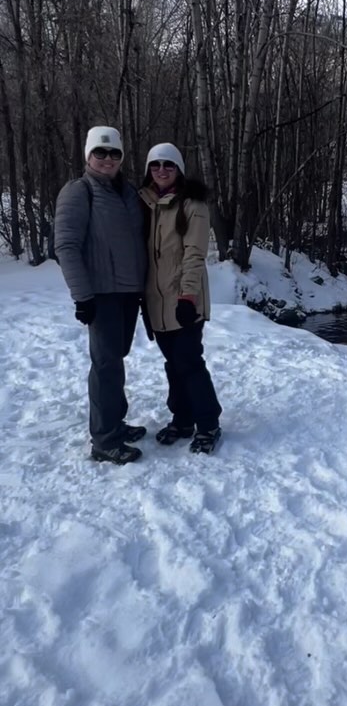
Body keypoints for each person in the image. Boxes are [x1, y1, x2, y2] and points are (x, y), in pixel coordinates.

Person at [54, 126, 147, 464]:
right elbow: (66, 246)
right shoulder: (79, 191)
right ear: (88, 156)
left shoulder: (128, 192)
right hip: (102, 294)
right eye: (100, 152)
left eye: (114, 153)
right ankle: (105, 439)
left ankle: (115, 423)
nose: (108, 159)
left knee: (115, 359)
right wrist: (83, 297)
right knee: (106, 364)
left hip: (129, 292)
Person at [140, 143, 222, 454]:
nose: (161, 170)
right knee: (173, 364)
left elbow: (195, 254)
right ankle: (183, 418)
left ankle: (208, 423)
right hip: (156, 302)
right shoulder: (145, 203)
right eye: (156, 165)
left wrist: (187, 296)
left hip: (185, 301)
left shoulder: (192, 204)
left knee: (188, 362)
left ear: (179, 170)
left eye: (168, 165)